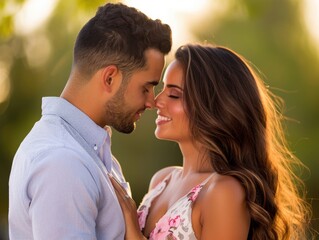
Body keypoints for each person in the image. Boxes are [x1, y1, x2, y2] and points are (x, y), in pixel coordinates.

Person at [110, 43, 310, 240]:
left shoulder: (224, 192)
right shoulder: (162, 180)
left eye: (173, 94)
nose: (156, 102)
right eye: (162, 89)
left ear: (214, 106)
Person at [8, 3, 172, 239]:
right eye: (146, 87)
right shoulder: (63, 162)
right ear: (110, 78)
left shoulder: (91, 152)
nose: (152, 102)